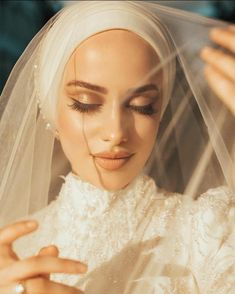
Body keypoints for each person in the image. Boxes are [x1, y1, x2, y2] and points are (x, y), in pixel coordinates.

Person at [0, 1, 234, 293]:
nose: (115, 133)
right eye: (86, 104)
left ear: (161, 111)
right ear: (50, 109)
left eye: (142, 107)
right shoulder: (12, 249)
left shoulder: (210, 232)